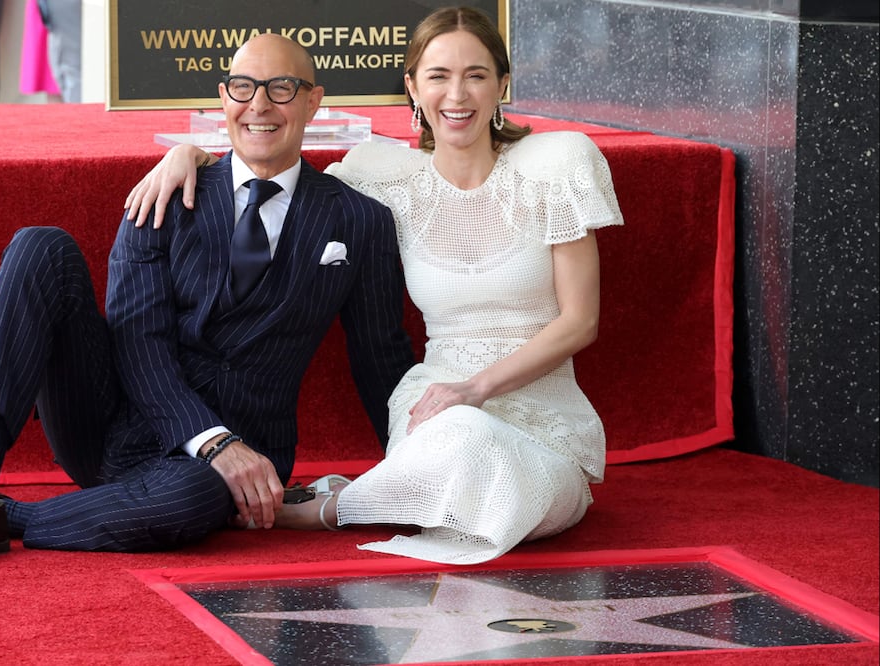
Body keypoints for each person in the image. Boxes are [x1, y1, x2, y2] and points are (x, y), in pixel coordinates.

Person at [0, 33, 413, 565]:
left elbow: (379, 356)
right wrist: (211, 440)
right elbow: (138, 343)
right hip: (112, 423)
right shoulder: (167, 192)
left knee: (191, 501)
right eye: (243, 88)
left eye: (281, 88)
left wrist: (417, 474)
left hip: (235, 462)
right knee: (39, 246)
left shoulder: (358, 221)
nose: (259, 105)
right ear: (222, 98)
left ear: (313, 100)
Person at [124, 6, 624, 565]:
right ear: (412, 87)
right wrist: (188, 156)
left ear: (502, 84)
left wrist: (476, 389)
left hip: (541, 417)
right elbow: (267, 164)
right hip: (435, 408)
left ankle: (326, 509)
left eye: (476, 75)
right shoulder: (383, 177)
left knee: (509, 488)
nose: (456, 95)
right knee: (461, 440)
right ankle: (401, 487)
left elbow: (581, 321)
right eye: (438, 76)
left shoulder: (556, 163)